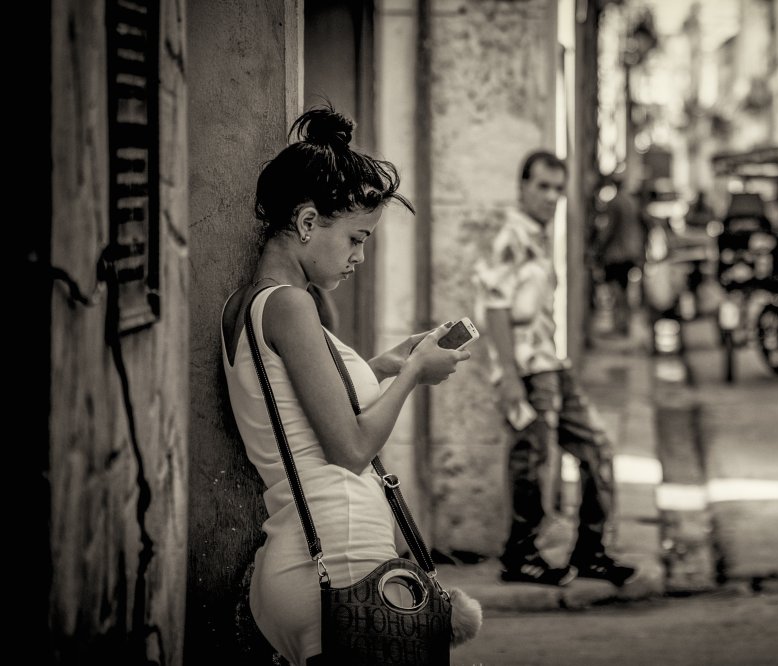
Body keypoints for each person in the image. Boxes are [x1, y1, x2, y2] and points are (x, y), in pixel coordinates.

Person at [220, 105, 470, 666]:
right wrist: (414, 375)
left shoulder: (250, 304)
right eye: (356, 238)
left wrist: (381, 366)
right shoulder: (291, 306)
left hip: (311, 557)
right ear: (308, 223)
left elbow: (298, 410)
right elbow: (352, 450)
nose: (359, 256)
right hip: (340, 558)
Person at [475, 150, 637, 587]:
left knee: (597, 448)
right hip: (527, 370)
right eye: (542, 186)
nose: (550, 196)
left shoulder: (539, 236)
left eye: (557, 189)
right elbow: (493, 309)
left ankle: (591, 551)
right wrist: (509, 377)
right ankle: (520, 555)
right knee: (531, 460)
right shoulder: (511, 236)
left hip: (550, 364)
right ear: (522, 187)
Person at [594, 174, 646, 336]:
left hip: (618, 253)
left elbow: (609, 229)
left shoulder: (615, 203)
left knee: (617, 289)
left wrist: (599, 247)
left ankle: (620, 324)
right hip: (631, 250)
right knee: (623, 288)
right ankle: (624, 322)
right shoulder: (632, 202)